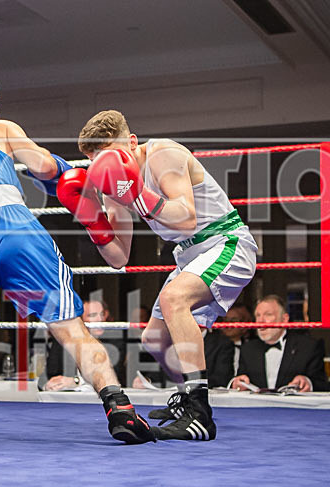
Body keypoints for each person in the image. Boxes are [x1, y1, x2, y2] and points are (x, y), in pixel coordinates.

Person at [0, 73, 154, 444]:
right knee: (68, 323)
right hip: (14, 226)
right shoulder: (1, 128)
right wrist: (63, 171)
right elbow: (43, 167)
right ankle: (118, 407)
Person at [68, 110, 258, 441]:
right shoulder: (113, 184)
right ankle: (186, 400)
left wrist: (138, 195)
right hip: (188, 256)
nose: (107, 171)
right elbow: (119, 257)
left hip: (225, 241)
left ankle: (200, 414)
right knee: (154, 340)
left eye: (112, 159)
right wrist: (93, 221)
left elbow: (185, 217)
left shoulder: (162, 153)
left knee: (174, 300)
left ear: (131, 142)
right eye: (98, 165)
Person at [230, 295, 327, 392]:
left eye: (268, 314)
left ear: (284, 319)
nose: (261, 321)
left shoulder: (308, 347)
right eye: (258, 316)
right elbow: (240, 380)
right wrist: (237, 383)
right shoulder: (248, 349)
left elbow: (323, 385)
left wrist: (308, 382)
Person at [44, 299, 126, 390]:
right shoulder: (63, 340)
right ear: (80, 320)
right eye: (92, 315)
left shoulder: (114, 341)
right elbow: (51, 372)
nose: (100, 319)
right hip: (69, 398)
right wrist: (53, 383)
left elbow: (113, 375)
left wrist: (76, 381)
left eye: (102, 314)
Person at [220, 303, 253, 376]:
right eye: (225, 320)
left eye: (233, 321)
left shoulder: (252, 348)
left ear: (244, 325)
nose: (228, 324)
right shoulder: (214, 348)